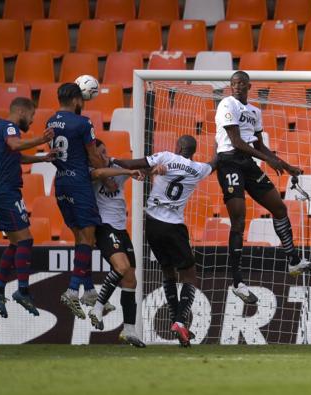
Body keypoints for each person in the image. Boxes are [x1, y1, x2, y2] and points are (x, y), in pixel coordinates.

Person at [215, 70, 311, 304]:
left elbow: (260, 145)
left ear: (249, 86)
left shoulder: (254, 112)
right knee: (239, 220)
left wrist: (286, 165)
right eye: (234, 83)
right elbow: (236, 142)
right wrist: (269, 161)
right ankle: (237, 282)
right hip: (229, 162)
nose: (237, 86)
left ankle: (293, 260)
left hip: (247, 162)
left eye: (241, 83)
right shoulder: (227, 104)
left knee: (279, 207)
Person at [115, 135, 217, 347]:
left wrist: (110, 160)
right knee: (189, 275)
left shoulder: (165, 157)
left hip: (152, 224)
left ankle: (176, 322)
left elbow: (131, 164)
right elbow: (214, 163)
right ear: (192, 151)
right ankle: (180, 321)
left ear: (178, 147)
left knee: (168, 271)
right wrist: (220, 145)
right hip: (174, 226)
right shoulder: (198, 169)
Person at [0, 97, 56, 318]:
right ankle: (22, 291)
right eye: (32, 115)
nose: (32, 120)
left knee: (17, 242)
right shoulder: (9, 127)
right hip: (4, 192)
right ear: (22, 112)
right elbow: (15, 145)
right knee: (25, 240)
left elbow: (17, 156)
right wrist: (40, 140)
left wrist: (42, 158)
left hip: (1, 191)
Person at [48, 83, 109, 319]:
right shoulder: (83, 123)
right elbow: (94, 154)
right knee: (89, 236)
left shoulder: (50, 122)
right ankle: (73, 289)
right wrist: (105, 169)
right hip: (79, 183)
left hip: (60, 182)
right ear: (76, 99)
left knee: (80, 238)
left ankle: (90, 290)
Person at [85, 139, 147, 347]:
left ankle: (128, 330)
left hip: (121, 230)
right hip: (104, 227)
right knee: (122, 267)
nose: (104, 156)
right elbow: (101, 174)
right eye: (99, 153)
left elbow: (139, 167)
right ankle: (98, 307)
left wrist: (156, 169)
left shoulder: (116, 167)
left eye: (105, 152)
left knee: (131, 280)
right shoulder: (90, 172)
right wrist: (126, 173)